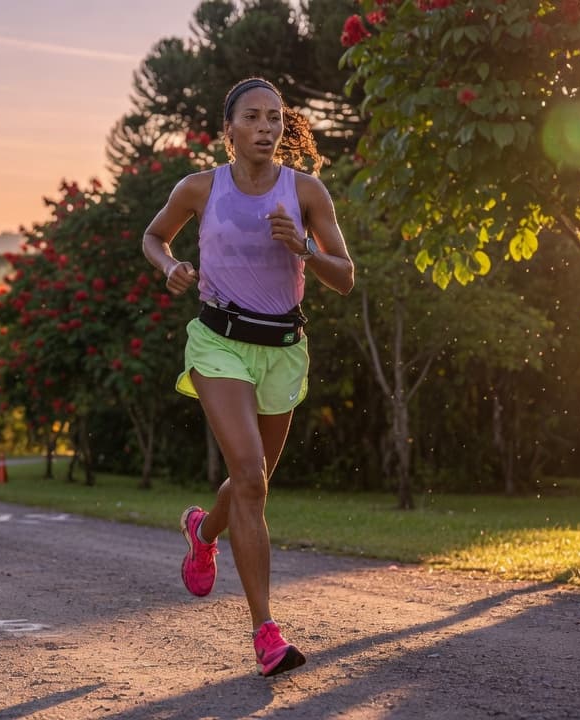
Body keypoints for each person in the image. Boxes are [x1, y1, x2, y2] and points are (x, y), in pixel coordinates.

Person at [141, 77, 354, 677]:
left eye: (276, 119)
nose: (266, 127)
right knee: (253, 479)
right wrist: (171, 267)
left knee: (248, 485)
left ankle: (203, 532)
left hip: (283, 348)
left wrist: (305, 250)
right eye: (254, 117)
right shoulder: (199, 188)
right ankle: (266, 633)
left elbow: (346, 276)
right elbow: (154, 237)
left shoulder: (307, 191)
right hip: (218, 344)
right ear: (228, 129)